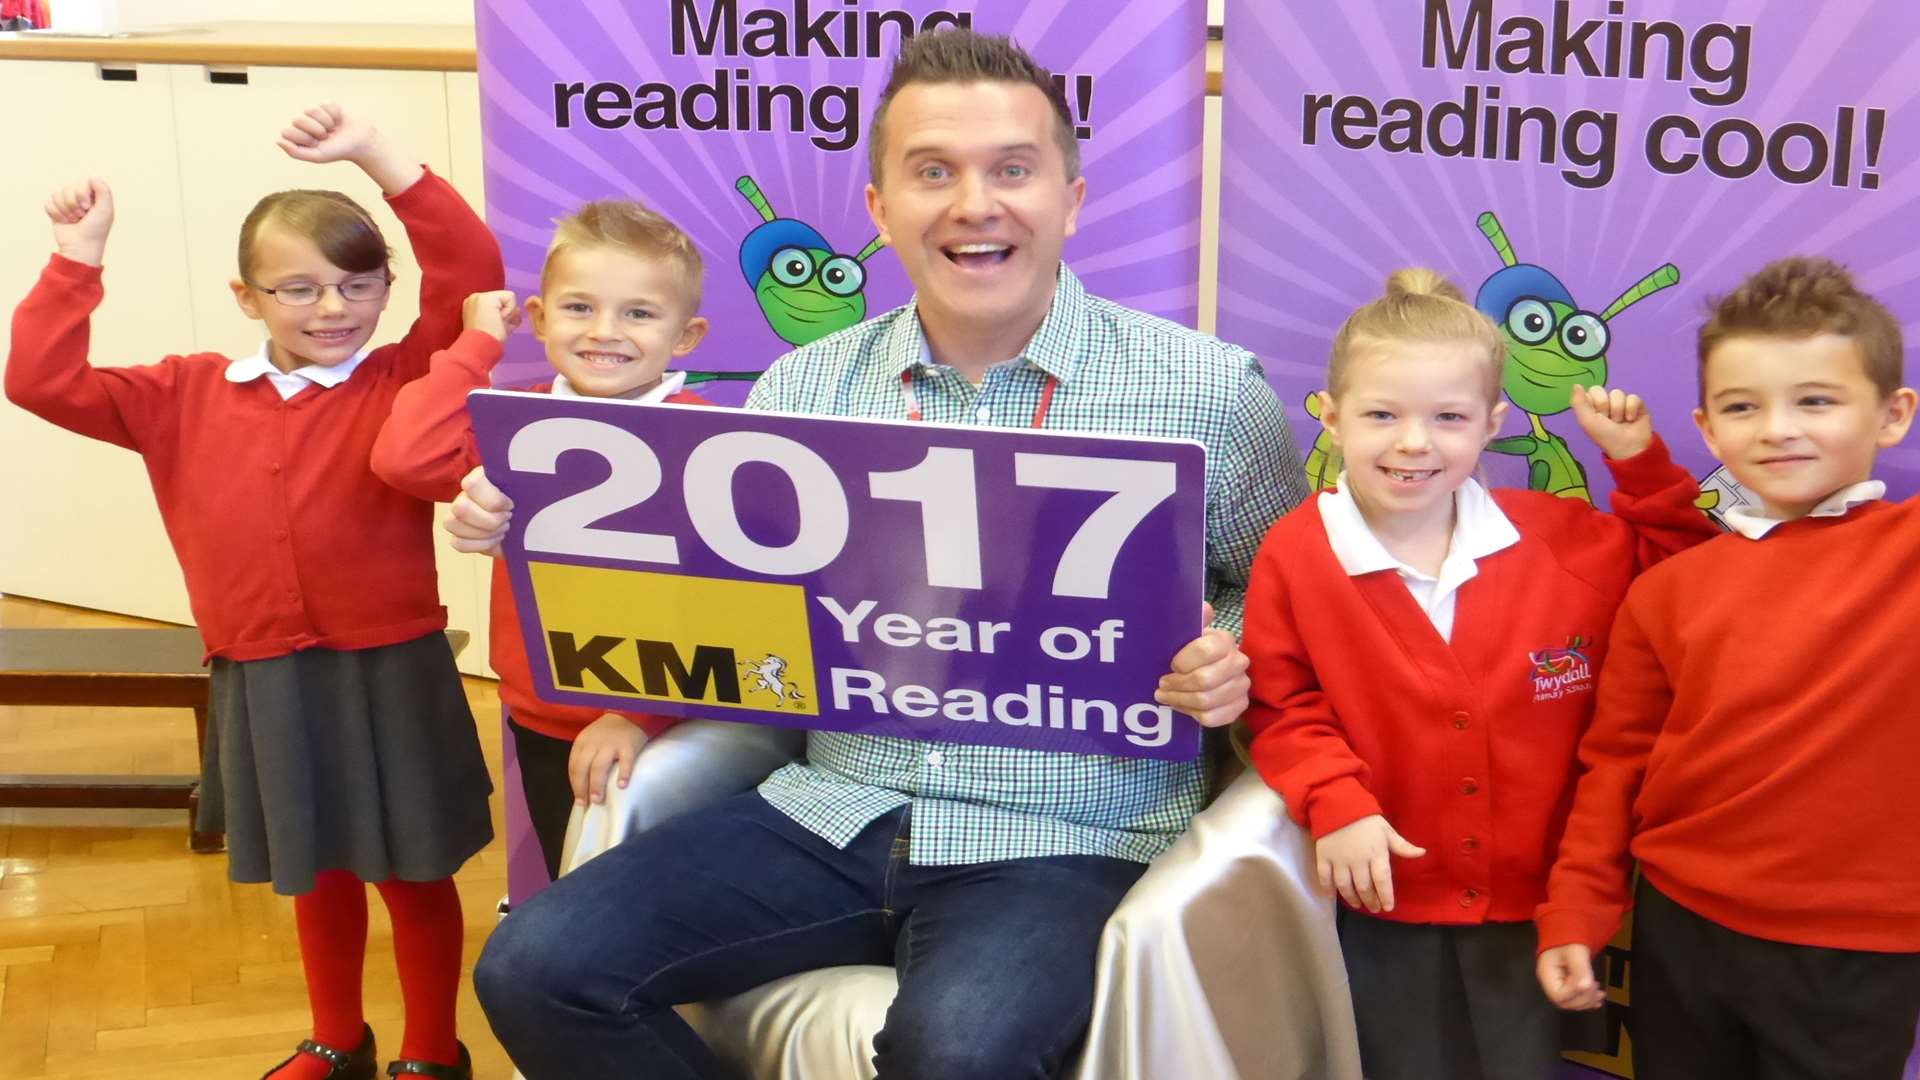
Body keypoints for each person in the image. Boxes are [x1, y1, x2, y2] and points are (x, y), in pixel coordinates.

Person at [447, 28, 1306, 1079]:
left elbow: (1288, 599)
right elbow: (718, 600)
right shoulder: (803, 390)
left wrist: (1225, 648)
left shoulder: (1209, 391)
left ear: (1070, 201)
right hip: (830, 809)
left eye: (1013, 171)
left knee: (958, 1051)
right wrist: (524, 526)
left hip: (1063, 833)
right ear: (878, 208)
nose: (973, 203)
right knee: (534, 965)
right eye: (932, 172)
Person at [5, 104, 501, 1080]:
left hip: (389, 666)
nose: (333, 308)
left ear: (387, 288)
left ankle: (431, 1050)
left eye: (359, 285)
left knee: (413, 870)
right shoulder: (181, 391)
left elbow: (473, 273)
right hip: (264, 672)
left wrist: (380, 159)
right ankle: (335, 1036)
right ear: (246, 296)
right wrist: (76, 259)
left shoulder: (404, 376)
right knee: (313, 865)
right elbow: (39, 377)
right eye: (300, 288)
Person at [1238, 269, 1717, 1080]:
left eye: (1448, 418)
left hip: (1533, 903)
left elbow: (1696, 586)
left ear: (1494, 422)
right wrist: (1336, 799)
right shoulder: (1296, 552)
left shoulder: (1567, 542)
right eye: (1382, 414)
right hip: (1382, 896)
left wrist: (1640, 467)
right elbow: (1281, 705)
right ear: (1329, 415)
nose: (1414, 443)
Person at [1535, 256, 1920, 1080]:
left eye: (1815, 400)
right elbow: (1614, 764)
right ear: (1708, 429)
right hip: (1683, 929)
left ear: (1893, 416)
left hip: (1858, 949)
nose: (1778, 428)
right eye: (1745, 407)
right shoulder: (1669, 590)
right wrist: (1577, 906)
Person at [372, 199, 710, 881]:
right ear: (540, 319)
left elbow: (721, 600)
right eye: (579, 308)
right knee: (571, 898)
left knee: (657, 897)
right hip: (543, 713)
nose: (605, 332)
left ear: (686, 335)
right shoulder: (511, 419)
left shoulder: (705, 439)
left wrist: (637, 715)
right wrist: (475, 347)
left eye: (639, 313)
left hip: (666, 725)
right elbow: (404, 457)